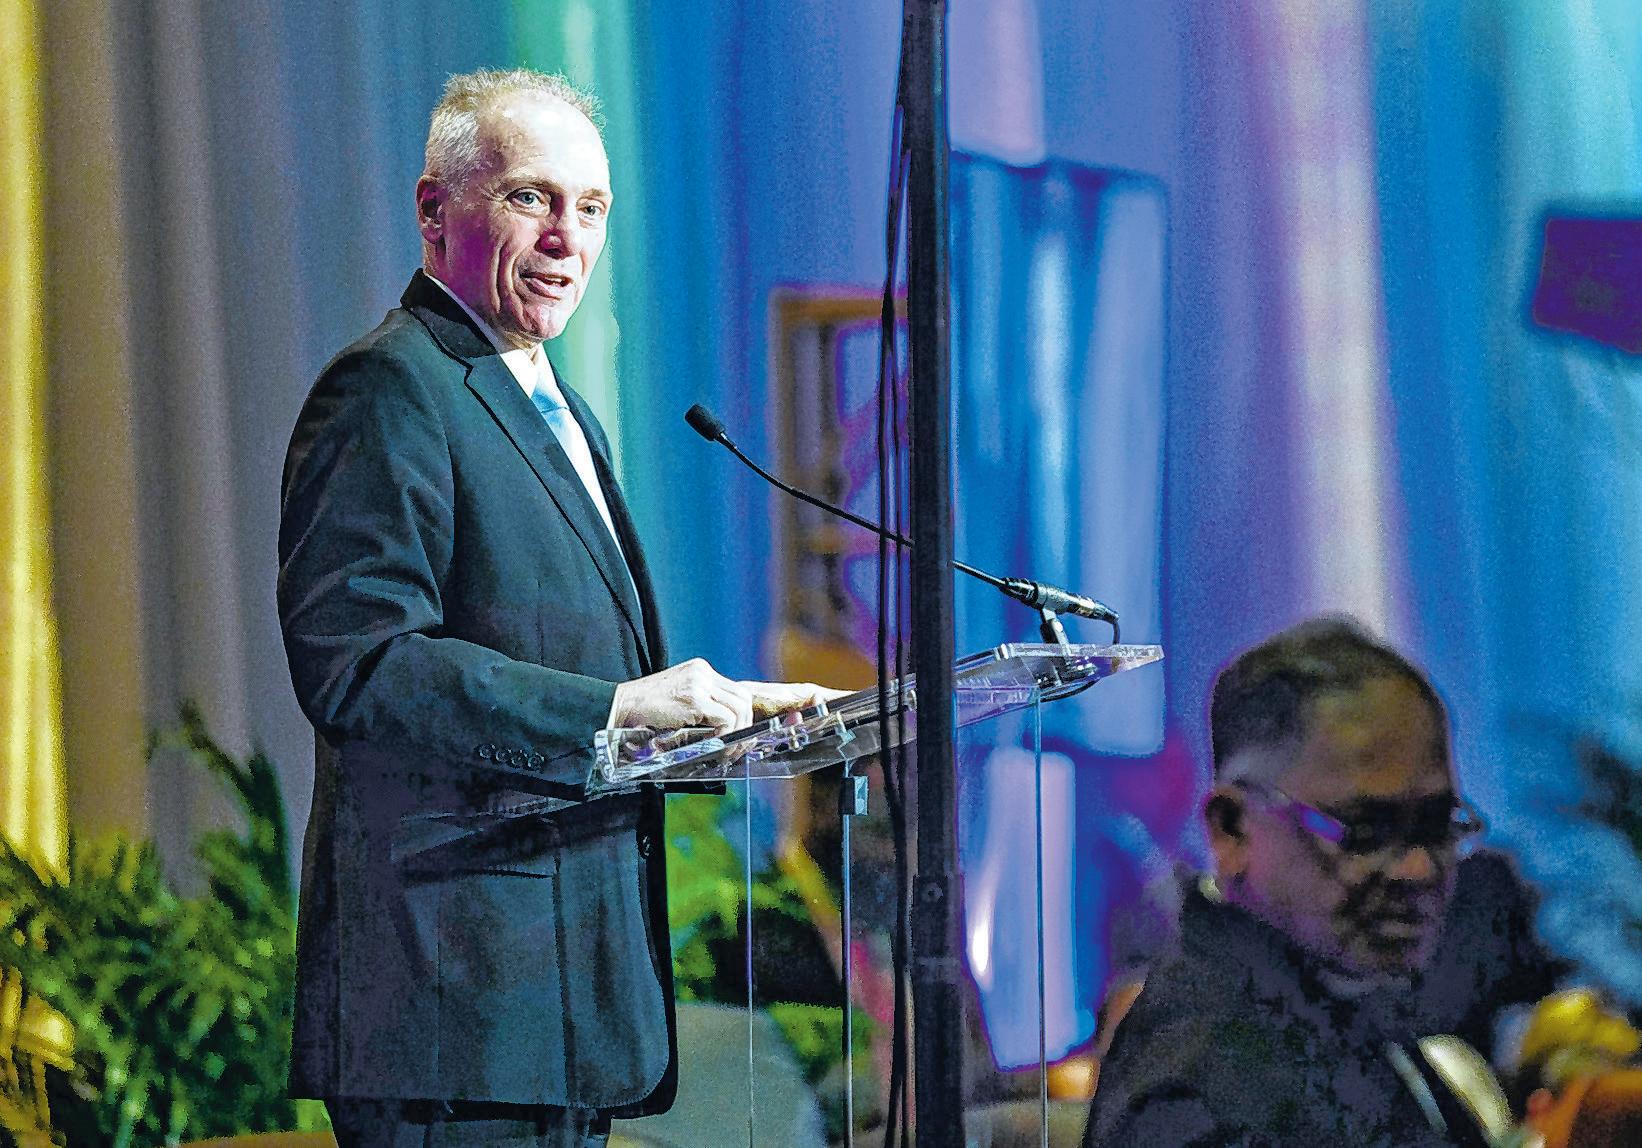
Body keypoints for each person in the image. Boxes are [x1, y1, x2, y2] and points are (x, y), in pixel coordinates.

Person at [278, 68, 829, 1148]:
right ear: (435, 210)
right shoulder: (390, 387)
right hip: (456, 1014)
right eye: (531, 197)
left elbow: (564, 659)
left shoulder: (560, 406)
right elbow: (360, 663)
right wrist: (616, 711)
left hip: (563, 1012)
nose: (566, 239)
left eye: (591, 208)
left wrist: (719, 726)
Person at [1083, 617, 1566, 1147]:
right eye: (1366, 830)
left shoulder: (1336, 991)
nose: (1417, 869)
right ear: (1233, 829)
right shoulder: (1197, 1090)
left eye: (1435, 827)